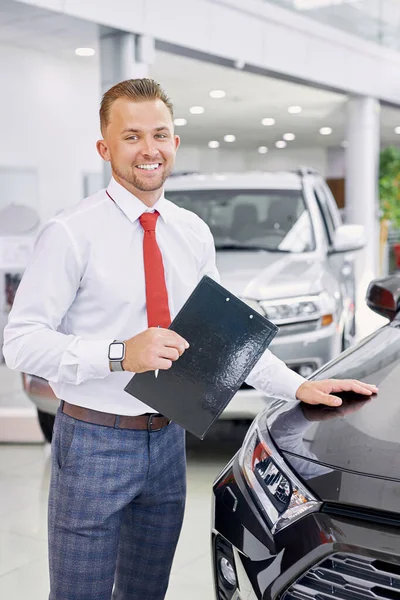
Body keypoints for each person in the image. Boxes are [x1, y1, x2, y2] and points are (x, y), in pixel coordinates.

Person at [2, 78, 378, 600]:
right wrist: (119, 354)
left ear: (175, 143)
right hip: (93, 441)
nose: (149, 149)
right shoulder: (70, 233)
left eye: (160, 134)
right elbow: (19, 342)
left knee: (147, 591)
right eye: (131, 136)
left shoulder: (192, 232)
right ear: (104, 147)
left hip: (168, 442)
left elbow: (223, 338)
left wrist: (297, 387)